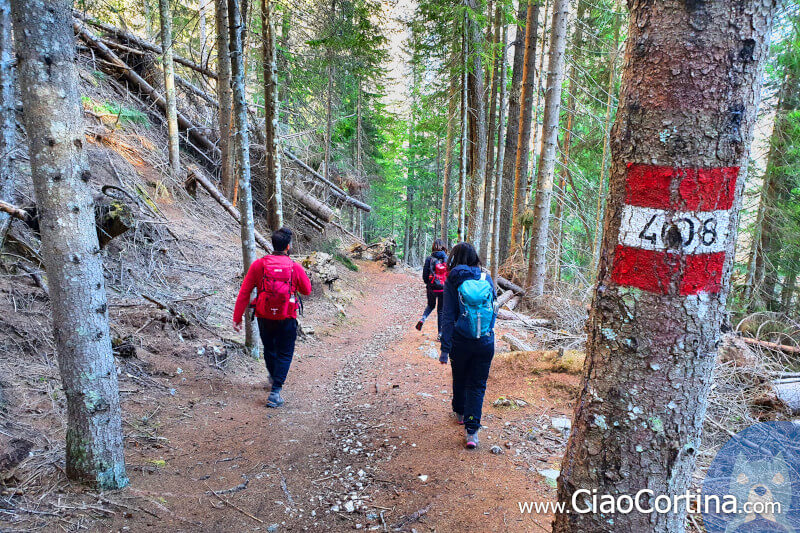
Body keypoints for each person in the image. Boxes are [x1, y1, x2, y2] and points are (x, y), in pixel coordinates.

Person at [233, 227, 312, 408]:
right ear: (288, 247)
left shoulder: (258, 265)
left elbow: (244, 292)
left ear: (272, 245)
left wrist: (237, 318)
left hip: (264, 316)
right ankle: (275, 391)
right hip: (287, 316)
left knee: (270, 349)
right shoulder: (294, 267)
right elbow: (307, 290)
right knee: (285, 353)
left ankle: (273, 376)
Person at [438, 242, 497, 449]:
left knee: (460, 375)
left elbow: (447, 315)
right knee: (477, 385)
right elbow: (494, 309)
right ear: (474, 258)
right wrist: (487, 333)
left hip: (460, 340)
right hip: (485, 341)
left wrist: (445, 348)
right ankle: (472, 433)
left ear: (455, 257)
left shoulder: (452, 279)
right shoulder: (485, 277)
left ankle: (460, 412)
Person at [415, 239, 448, 337]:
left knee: (430, 305)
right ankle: (440, 334)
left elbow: (425, 275)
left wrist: (428, 284)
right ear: (444, 247)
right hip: (443, 288)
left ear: (433, 247)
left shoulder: (429, 259)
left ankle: (423, 318)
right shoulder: (447, 258)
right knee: (441, 311)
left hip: (432, 287)